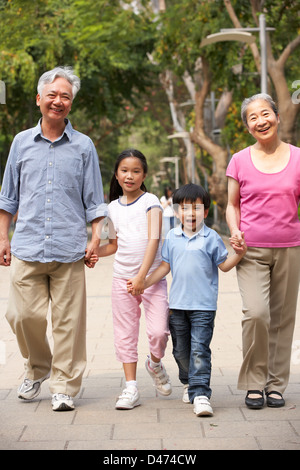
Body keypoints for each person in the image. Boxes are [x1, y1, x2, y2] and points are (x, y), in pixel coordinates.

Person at [0, 66, 105, 411]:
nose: (58, 102)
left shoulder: (84, 146)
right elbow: (8, 197)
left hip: (69, 249)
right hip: (27, 246)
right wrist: (3, 237)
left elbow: (94, 199)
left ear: (70, 103)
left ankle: (64, 385)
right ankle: (38, 367)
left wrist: (96, 238)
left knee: (68, 324)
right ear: (39, 99)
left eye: (65, 97)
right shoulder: (20, 143)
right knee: (20, 316)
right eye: (53, 95)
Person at [128, 183, 247, 417]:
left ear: (206, 211)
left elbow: (223, 266)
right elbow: (165, 267)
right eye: (184, 208)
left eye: (197, 208)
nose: (191, 213)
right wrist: (144, 282)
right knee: (181, 351)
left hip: (204, 307)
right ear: (176, 211)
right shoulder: (172, 237)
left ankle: (201, 393)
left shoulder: (211, 237)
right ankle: (188, 382)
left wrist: (239, 254)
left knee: (200, 351)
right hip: (177, 307)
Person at [226, 93, 300, 409]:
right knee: (256, 313)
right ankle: (254, 381)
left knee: (282, 319)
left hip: (290, 248)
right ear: (248, 126)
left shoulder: (298, 157)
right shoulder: (239, 160)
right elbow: (232, 204)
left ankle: (275, 384)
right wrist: (234, 230)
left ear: (277, 117)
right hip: (251, 250)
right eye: (253, 117)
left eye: (265, 113)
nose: (261, 120)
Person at [95, 148, 171, 410]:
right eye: (124, 171)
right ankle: (130, 388)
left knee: (159, 332)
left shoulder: (151, 201)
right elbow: (113, 245)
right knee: (125, 335)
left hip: (150, 280)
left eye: (136, 171)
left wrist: (142, 278)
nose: (130, 176)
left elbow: (154, 240)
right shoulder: (112, 208)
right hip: (122, 281)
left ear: (144, 174)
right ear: (116, 175)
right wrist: (94, 253)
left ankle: (155, 363)